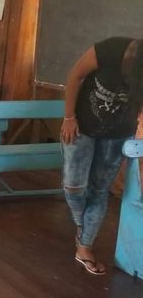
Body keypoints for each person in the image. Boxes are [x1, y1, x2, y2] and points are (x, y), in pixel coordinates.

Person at [60, 37, 143, 275]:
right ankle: (80, 226)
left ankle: (84, 245)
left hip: (117, 134)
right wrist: (68, 117)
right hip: (80, 127)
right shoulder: (110, 49)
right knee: (73, 188)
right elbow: (75, 76)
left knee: (99, 189)